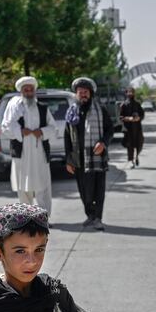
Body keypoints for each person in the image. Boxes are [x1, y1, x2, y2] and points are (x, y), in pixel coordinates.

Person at [1, 76, 56, 219]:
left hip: (39, 154)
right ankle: (27, 218)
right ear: (21, 91)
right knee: (23, 187)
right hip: (22, 154)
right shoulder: (14, 108)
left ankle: (43, 218)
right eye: (26, 89)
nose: (29, 92)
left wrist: (42, 132)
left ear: (34, 91)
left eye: (31, 89)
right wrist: (19, 132)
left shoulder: (43, 108)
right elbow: (5, 128)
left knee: (43, 186)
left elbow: (53, 127)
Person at [64, 77, 114, 231]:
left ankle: (98, 218)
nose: (83, 95)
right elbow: (67, 136)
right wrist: (68, 159)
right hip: (78, 159)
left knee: (98, 190)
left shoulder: (101, 110)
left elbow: (110, 129)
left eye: (86, 92)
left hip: (97, 157)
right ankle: (90, 215)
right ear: (76, 94)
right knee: (84, 190)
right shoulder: (72, 111)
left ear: (91, 93)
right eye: (80, 92)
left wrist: (103, 143)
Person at [120, 87, 145, 168]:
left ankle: (136, 157)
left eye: (132, 92)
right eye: (129, 92)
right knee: (129, 145)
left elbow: (142, 114)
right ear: (126, 93)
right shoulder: (123, 105)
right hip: (128, 129)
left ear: (134, 93)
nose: (130, 94)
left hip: (137, 128)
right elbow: (121, 117)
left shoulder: (137, 104)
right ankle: (131, 161)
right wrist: (128, 118)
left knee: (139, 144)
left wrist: (139, 118)